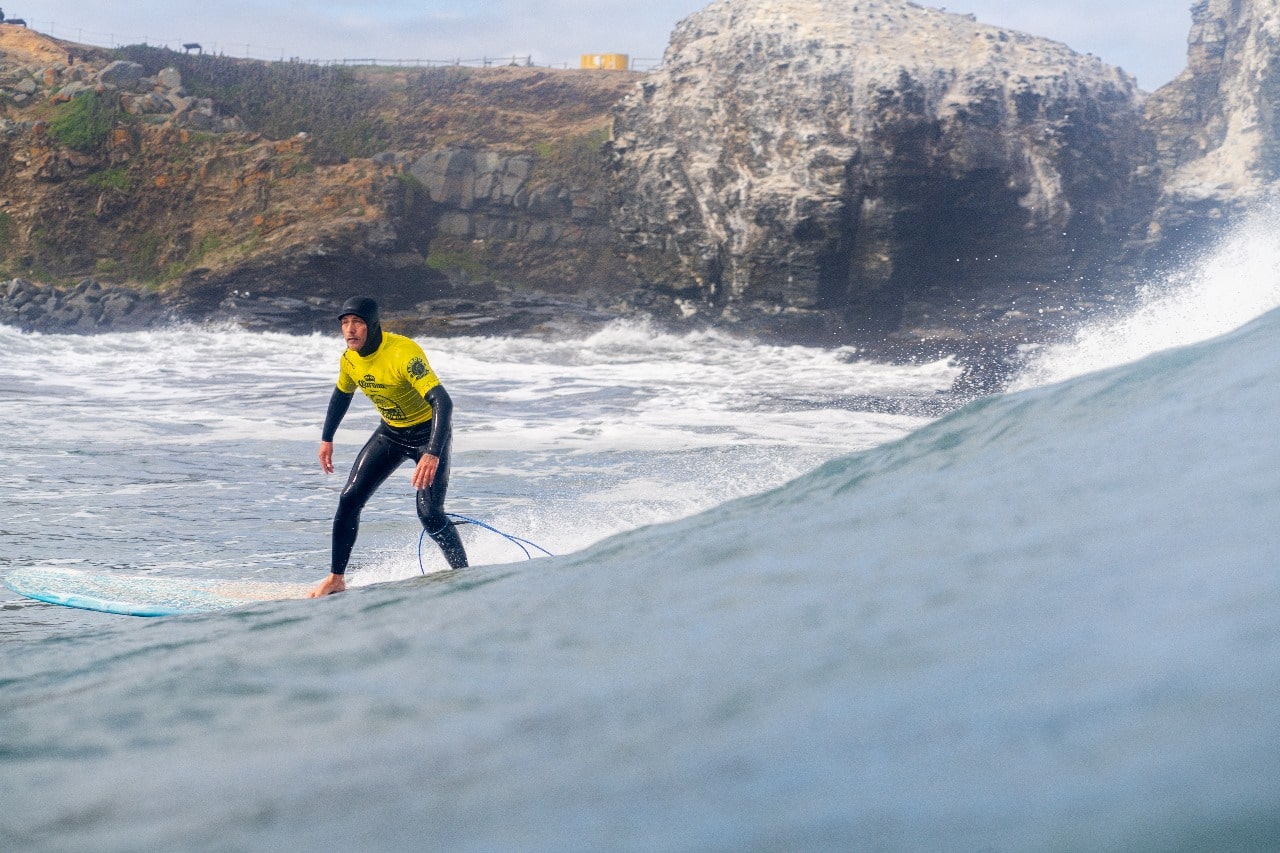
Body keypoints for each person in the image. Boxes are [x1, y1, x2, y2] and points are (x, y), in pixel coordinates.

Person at [308, 296, 467, 597]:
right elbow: (342, 395)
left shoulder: (403, 353)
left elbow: (442, 401)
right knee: (349, 498)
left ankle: (464, 577)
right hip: (391, 434)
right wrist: (327, 438)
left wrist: (432, 452)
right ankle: (336, 578)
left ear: (373, 325)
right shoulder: (350, 359)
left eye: (357, 322)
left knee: (430, 513)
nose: (350, 330)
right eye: (344, 323)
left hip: (427, 435)